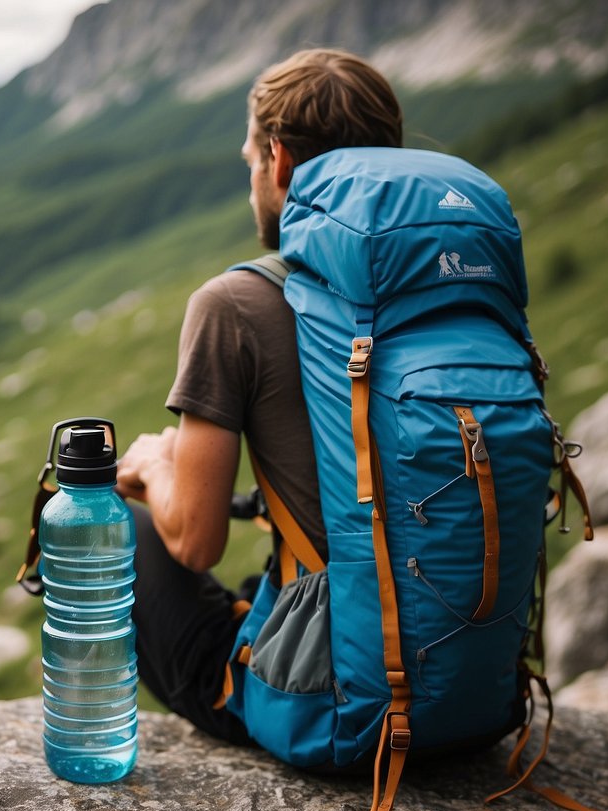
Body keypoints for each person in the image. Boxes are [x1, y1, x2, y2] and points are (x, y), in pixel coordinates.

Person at [114, 48, 403, 745]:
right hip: (468, 687)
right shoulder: (452, 285)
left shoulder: (235, 304)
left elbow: (194, 543)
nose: (252, 178)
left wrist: (154, 467)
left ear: (276, 161)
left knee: (101, 517)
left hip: (341, 709)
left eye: (249, 160)